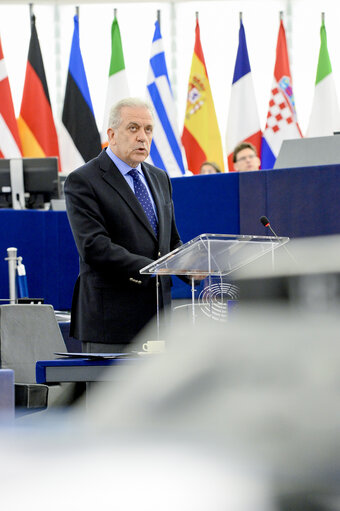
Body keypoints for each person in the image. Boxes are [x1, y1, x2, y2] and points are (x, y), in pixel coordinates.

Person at [64, 98, 183, 353]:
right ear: (112, 134)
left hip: (158, 322)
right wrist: (152, 269)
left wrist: (190, 266)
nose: (142, 137)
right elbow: (94, 246)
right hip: (111, 324)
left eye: (148, 129)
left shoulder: (159, 178)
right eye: (133, 128)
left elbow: (170, 241)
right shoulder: (84, 180)